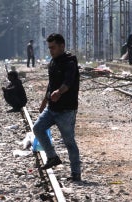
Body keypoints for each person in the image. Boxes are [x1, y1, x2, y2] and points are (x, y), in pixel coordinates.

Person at [33, 33, 81, 181]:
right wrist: (44, 101)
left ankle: (76, 173)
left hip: (66, 110)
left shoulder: (70, 63)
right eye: (49, 48)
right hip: (52, 108)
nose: (51, 51)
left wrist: (59, 92)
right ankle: (52, 157)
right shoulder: (53, 63)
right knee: (38, 128)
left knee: (69, 142)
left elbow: (68, 82)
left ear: (62, 46)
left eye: (53, 47)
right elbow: (51, 85)